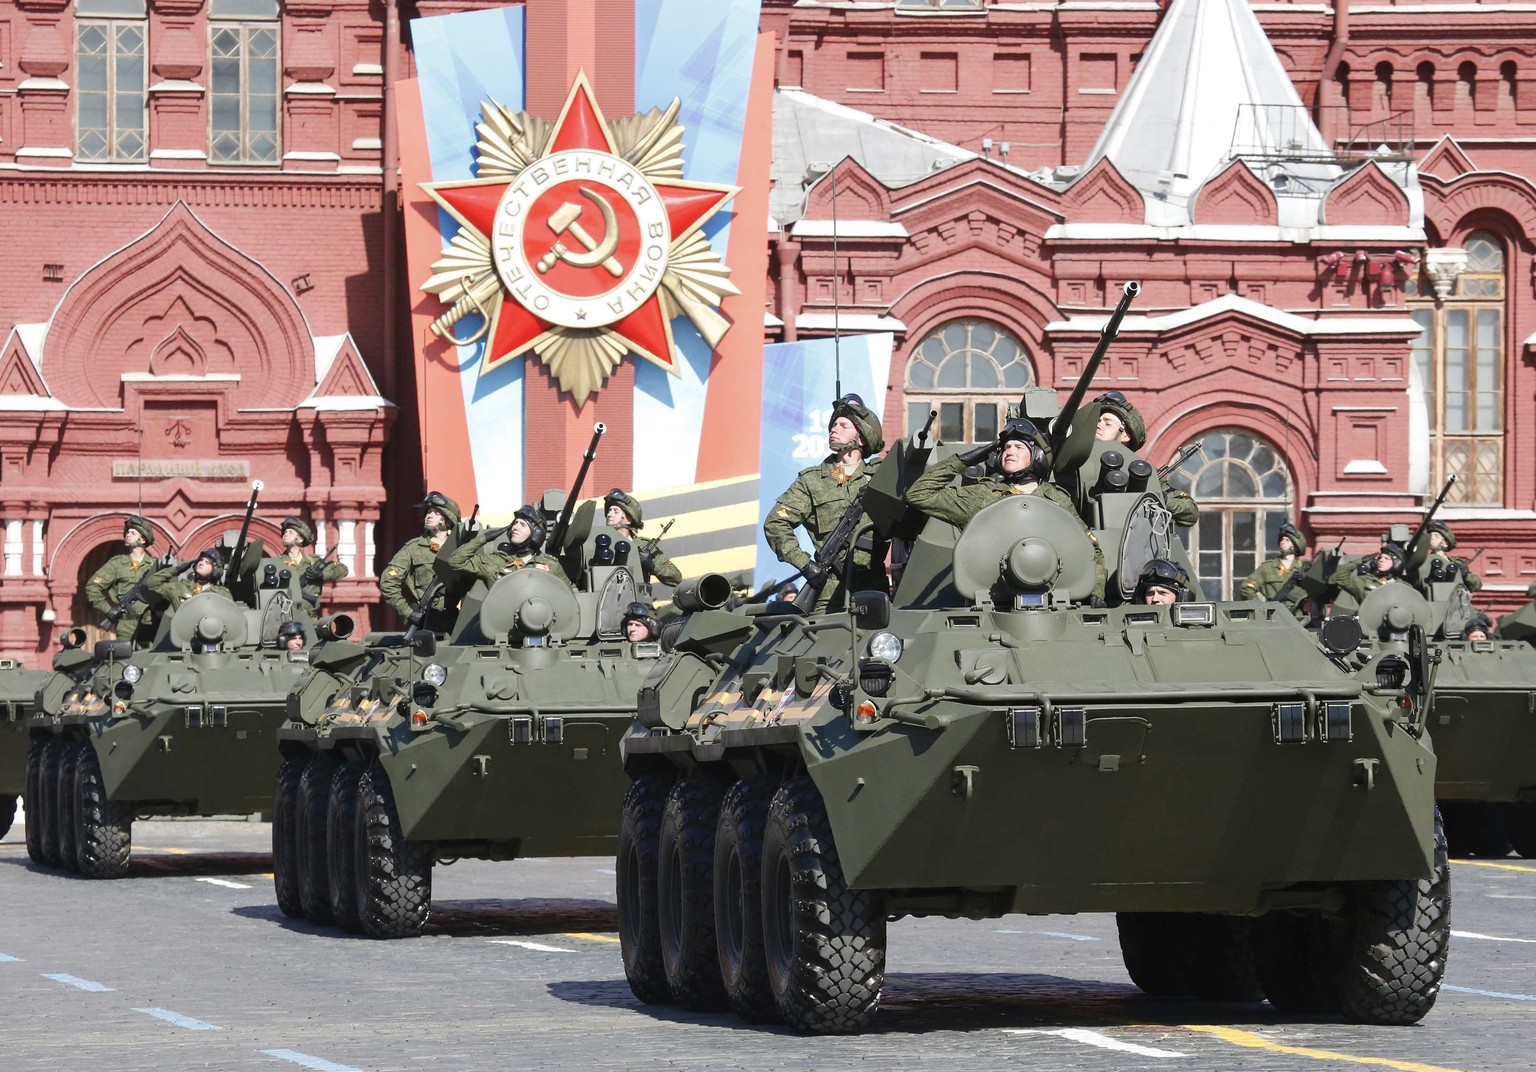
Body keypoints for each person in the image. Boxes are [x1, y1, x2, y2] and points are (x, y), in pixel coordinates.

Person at [905, 416, 1107, 600]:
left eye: (1019, 447)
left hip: (1053, 598)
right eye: (1006, 447)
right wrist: (967, 459)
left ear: (1037, 455)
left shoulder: (1057, 500)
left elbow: (1091, 550)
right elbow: (919, 494)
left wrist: (1096, 590)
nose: (1010, 451)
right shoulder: (983, 495)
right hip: (992, 600)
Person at [764, 394, 888, 612]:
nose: (834, 429)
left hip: (874, 591)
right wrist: (804, 564)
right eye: (833, 425)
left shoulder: (881, 475)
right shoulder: (812, 480)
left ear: (861, 438)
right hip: (829, 596)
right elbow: (775, 523)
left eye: (843, 425)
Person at [1091, 391, 1199, 527]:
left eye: (1108, 423)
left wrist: (1159, 497)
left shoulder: (1140, 471)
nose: (1098, 425)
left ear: (1125, 436)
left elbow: (1191, 512)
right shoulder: (1075, 460)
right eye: (1098, 421)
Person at [380, 491, 461, 623]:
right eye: (428, 511)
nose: (429, 515)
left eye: (436, 512)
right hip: (422, 622)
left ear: (447, 518)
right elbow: (388, 582)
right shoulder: (413, 548)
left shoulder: (460, 550)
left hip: (453, 623)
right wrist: (408, 613)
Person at [444, 504, 570, 586]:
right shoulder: (497, 561)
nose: (515, 527)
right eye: (515, 523)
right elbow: (455, 561)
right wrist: (484, 538)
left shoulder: (550, 566)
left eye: (523, 524)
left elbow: (568, 597)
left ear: (536, 534)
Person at [85, 515, 160, 640]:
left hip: (151, 624)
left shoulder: (155, 565)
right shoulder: (117, 563)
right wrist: (108, 610)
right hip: (126, 626)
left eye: (133, 532)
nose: (127, 535)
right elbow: (92, 586)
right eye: (127, 532)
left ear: (142, 540)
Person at [603, 489, 682, 586]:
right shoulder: (600, 543)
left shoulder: (642, 546)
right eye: (609, 510)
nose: (609, 514)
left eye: (616, 511)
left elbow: (676, 578)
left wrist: (652, 566)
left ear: (628, 519)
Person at [1239, 522, 1309, 618]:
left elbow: (1320, 593)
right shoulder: (1268, 567)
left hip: (1298, 619)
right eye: (1282, 539)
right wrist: (1260, 610)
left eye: (1287, 540)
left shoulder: (1304, 568)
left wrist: (1307, 580)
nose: (1282, 542)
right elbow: (1247, 588)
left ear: (1296, 545)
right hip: (1274, 617)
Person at [276, 516, 349, 605]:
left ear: (300, 539)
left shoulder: (313, 562)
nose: (285, 534)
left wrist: (321, 575)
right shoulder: (277, 563)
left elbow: (343, 569)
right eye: (285, 532)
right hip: (285, 615)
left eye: (290, 532)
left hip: (311, 617)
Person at [146, 548, 231, 609]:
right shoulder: (181, 587)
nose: (201, 563)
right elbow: (151, 583)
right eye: (201, 560)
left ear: (215, 570)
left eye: (207, 562)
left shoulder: (222, 594)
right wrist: (177, 569)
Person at [1330, 541, 1406, 603]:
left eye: (1386, 558)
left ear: (1397, 564)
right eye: (1380, 558)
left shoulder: (1403, 587)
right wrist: (1360, 561)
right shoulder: (1365, 582)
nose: (1381, 560)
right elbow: (1339, 577)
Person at [1423, 520, 1482, 591]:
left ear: (1445, 543)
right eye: (1430, 535)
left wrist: (1465, 575)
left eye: (1436, 536)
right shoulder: (1422, 561)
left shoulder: (1455, 563)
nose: (1431, 538)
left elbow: (1477, 585)